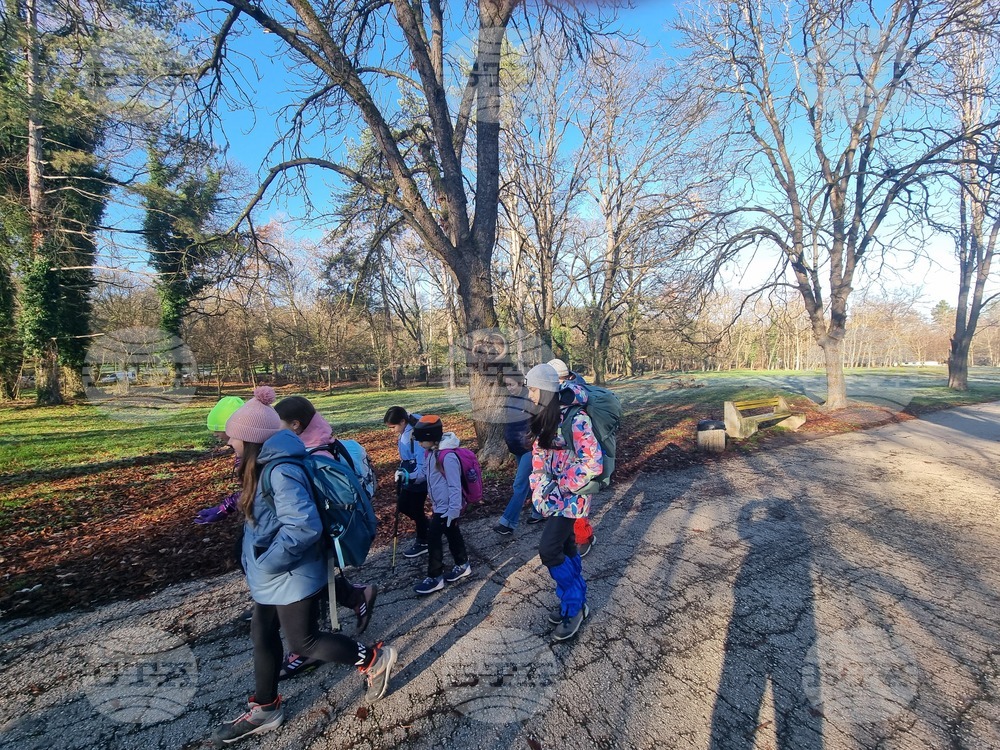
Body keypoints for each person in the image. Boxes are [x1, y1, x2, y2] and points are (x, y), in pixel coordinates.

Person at [211, 386, 397, 748]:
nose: (228, 442)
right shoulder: (261, 466)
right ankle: (265, 707)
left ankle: (374, 658)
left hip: (291, 574)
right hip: (273, 575)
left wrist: (269, 561)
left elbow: (303, 527)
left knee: (305, 641)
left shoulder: (280, 471)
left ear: (251, 439)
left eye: (232, 437)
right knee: (262, 634)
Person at [271, 396, 379, 679]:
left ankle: (307, 647)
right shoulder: (323, 439)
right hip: (320, 532)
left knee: (308, 585)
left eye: (278, 424)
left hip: (316, 534)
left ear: (295, 425)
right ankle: (355, 597)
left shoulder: (312, 453)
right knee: (313, 583)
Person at [525, 364, 603, 642]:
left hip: (571, 498)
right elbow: (538, 458)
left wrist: (561, 485)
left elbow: (593, 462)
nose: (530, 396)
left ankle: (574, 606)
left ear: (546, 390)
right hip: (552, 495)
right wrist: (539, 487)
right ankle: (575, 603)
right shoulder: (546, 417)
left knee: (548, 550)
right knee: (567, 547)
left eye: (533, 390)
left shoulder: (576, 419)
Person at [411, 415, 472, 594]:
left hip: (448, 507)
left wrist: (453, 511)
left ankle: (435, 576)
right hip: (439, 505)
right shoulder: (430, 453)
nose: (419, 444)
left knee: (433, 538)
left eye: (421, 440)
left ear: (431, 437)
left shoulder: (448, 457)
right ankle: (463, 564)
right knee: (452, 534)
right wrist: (408, 477)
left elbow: (455, 486)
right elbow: (424, 474)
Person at [548, 358, 596, 557]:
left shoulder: (573, 400)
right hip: (560, 463)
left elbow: (588, 452)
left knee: (578, 504)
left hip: (576, 462)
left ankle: (583, 539)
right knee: (569, 505)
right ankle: (580, 537)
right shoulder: (560, 396)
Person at [494, 370, 543, 535]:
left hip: (529, 449)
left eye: (511, 384)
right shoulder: (509, 399)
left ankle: (508, 523)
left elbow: (539, 423)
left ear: (521, 383)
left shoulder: (530, 398)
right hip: (516, 448)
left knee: (519, 485)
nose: (509, 388)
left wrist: (534, 440)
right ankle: (539, 512)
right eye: (506, 385)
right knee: (530, 483)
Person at [383, 406, 430, 558]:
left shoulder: (415, 436)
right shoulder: (405, 431)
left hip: (418, 478)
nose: (392, 431)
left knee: (415, 508)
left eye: (393, 427)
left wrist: (410, 476)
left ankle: (424, 540)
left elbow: (423, 466)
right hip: (409, 474)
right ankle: (429, 529)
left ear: (403, 421)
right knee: (404, 505)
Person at [193, 396, 245, 524]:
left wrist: (225, 508)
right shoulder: (243, 451)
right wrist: (225, 507)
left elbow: (255, 491)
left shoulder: (255, 457)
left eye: (217, 429)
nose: (215, 434)